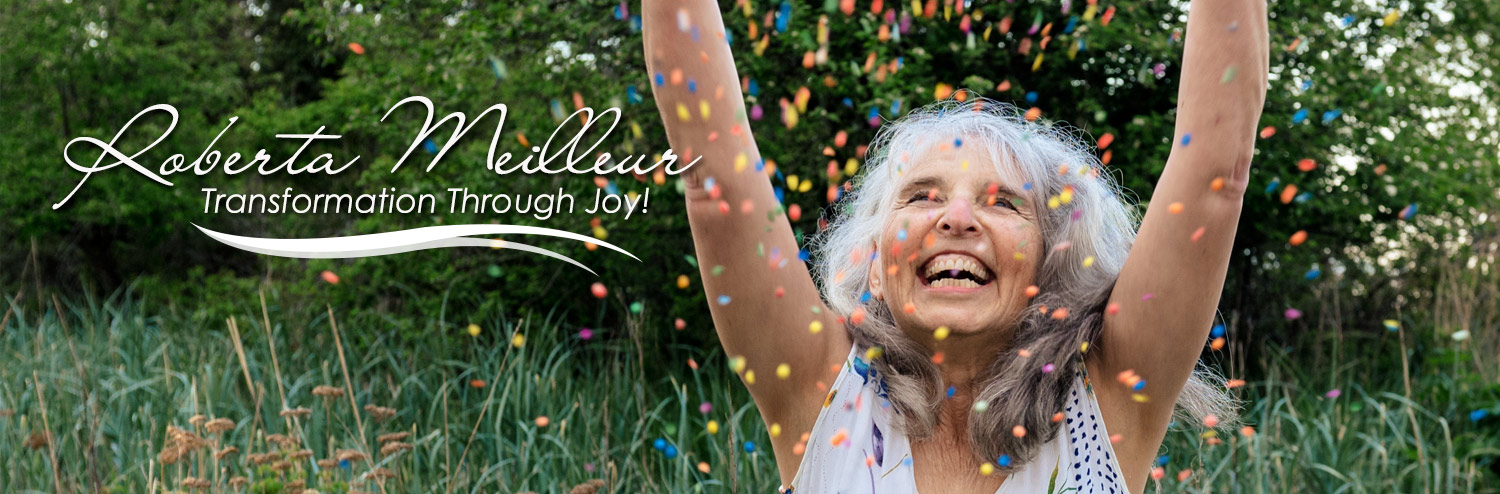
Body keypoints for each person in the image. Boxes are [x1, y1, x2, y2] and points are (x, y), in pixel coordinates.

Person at [643, 1, 1268, 492]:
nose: (957, 218)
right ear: (875, 263)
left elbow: (1217, 171)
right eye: (920, 197)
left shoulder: (1108, 397)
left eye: (1004, 202)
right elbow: (713, 177)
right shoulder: (819, 388)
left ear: (1054, 258)